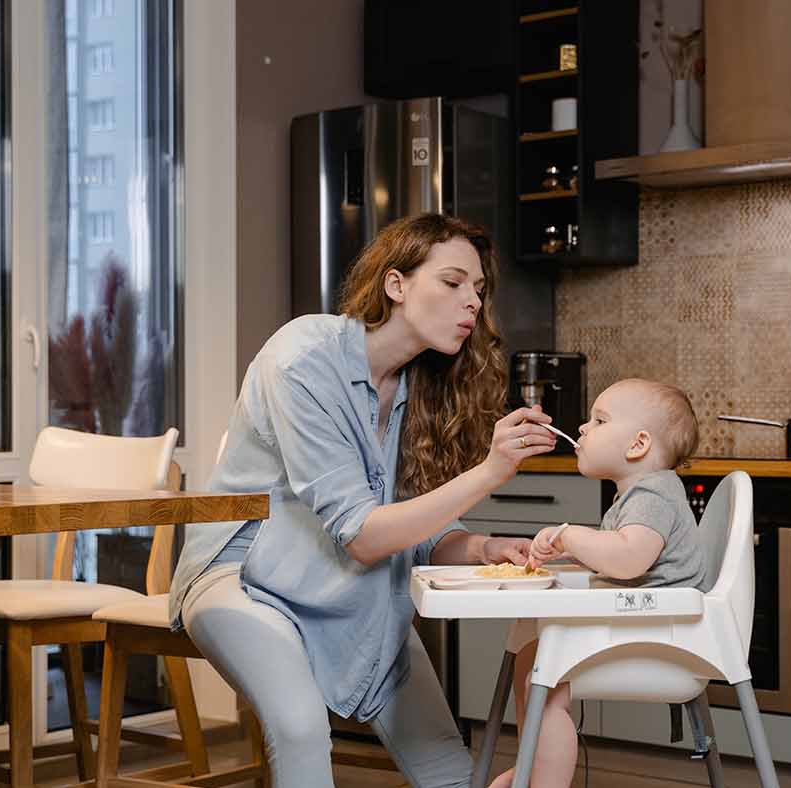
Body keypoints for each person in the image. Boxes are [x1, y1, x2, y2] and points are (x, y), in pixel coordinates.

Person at [169, 214, 558, 787]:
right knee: (301, 729)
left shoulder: (422, 387)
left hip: (355, 587)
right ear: (396, 285)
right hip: (245, 578)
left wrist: (483, 545)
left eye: (478, 290)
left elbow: (414, 533)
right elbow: (366, 533)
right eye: (452, 283)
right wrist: (491, 471)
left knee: (450, 771)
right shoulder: (302, 357)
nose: (471, 302)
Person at [490, 378, 709, 788]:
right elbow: (626, 556)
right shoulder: (636, 496)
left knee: (543, 672)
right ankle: (533, 767)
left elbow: (628, 560)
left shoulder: (652, 494)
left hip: (660, 640)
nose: (583, 429)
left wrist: (571, 534)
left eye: (599, 420)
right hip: (647, 629)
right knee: (531, 657)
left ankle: (541, 778)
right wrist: (571, 552)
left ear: (637, 445)